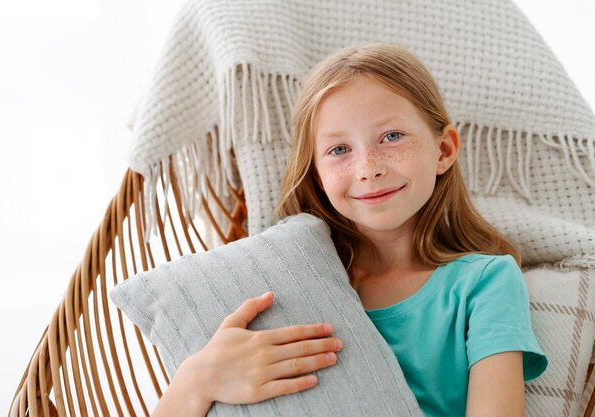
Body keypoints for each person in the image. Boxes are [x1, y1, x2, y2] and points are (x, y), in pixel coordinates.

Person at [152, 44, 548, 417]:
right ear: (318, 176)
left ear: (443, 151)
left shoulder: (485, 283)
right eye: (339, 150)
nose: (368, 167)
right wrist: (197, 380)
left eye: (391, 137)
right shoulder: (283, 280)